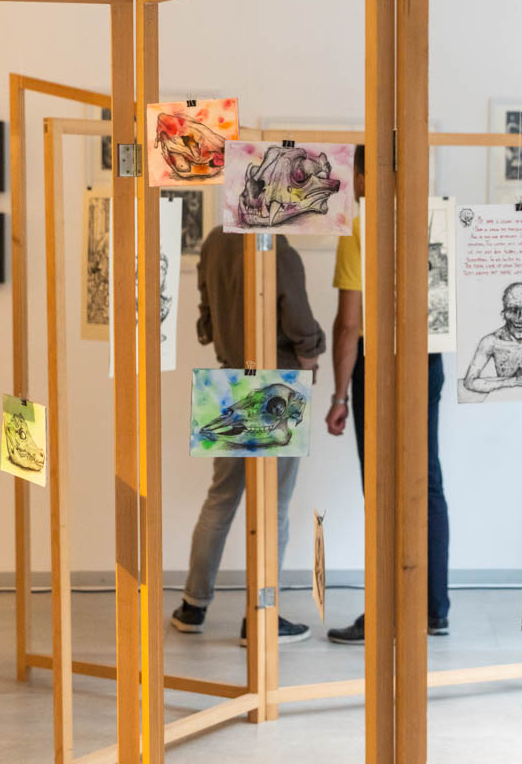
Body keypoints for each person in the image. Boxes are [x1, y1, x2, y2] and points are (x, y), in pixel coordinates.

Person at [170, 228, 325, 644]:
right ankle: (262, 615)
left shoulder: (214, 241)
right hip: (278, 382)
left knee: (220, 499)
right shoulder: (278, 248)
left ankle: (192, 607)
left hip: (230, 379)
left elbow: (206, 315)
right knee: (274, 507)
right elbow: (299, 319)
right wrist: (310, 359)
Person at [324, 146, 451, 643]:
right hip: (427, 358)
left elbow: (349, 324)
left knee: (380, 487)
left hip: (377, 363)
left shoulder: (359, 229)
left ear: (362, 176)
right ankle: (433, 609)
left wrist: (339, 396)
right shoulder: (432, 221)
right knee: (428, 480)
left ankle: (384, 610)